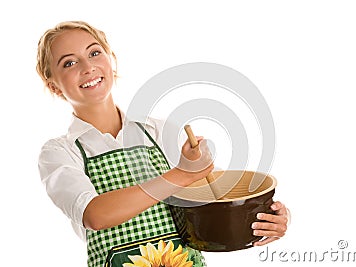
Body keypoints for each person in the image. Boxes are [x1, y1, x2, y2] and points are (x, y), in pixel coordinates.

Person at [36, 21, 289, 267]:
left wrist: (268, 218)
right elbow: (95, 215)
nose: (88, 67)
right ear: (54, 86)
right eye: (69, 62)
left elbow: (216, 204)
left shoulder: (161, 131)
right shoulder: (59, 152)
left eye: (94, 52)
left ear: (110, 61)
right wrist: (180, 175)